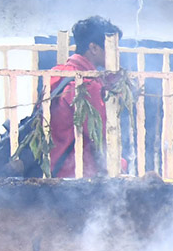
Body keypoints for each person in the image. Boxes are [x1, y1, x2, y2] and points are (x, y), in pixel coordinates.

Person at [49, 15, 121, 178]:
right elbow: (103, 133)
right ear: (94, 48)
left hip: (53, 168)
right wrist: (119, 166)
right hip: (75, 175)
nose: (117, 54)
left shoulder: (59, 72)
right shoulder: (85, 84)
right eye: (112, 47)